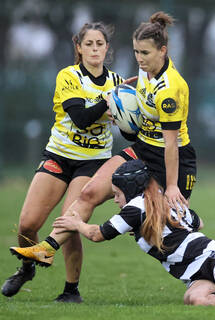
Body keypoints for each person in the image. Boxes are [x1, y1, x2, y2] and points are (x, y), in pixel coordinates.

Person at [6, 11, 197, 277]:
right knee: (88, 194)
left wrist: (173, 185)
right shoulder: (141, 74)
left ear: (163, 51)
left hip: (171, 157)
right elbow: (130, 127)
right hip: (140, 148)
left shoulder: (170, 89)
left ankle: (206, 268)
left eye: (145, 53)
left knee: (171, 227)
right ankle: (46, 249)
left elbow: (171, 145)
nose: (139, 59)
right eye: (136, 53)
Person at [10, 160, 215, 306]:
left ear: (129, 189)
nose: (114, 199)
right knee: (197, 301)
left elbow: (96, 234)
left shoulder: (133, 208)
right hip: (196, 275)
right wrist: (179, 214)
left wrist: (74, 223)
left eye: (116, 193)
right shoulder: (149, 205)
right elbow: (199, 222)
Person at [1, 21, 129, 303]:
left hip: (93, 162)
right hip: (59, 155)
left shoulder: (119, 82)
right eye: (89, 44)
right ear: (79, 47)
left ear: (107, 48)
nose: (94, 49)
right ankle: (27, 268)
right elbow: (82, 119)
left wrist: (130, 115)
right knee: (27, 224)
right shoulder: (69, 76)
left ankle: (71, 291)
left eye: (99, 44)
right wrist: (110, 102)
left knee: (70, 221)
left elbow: (130, 130)